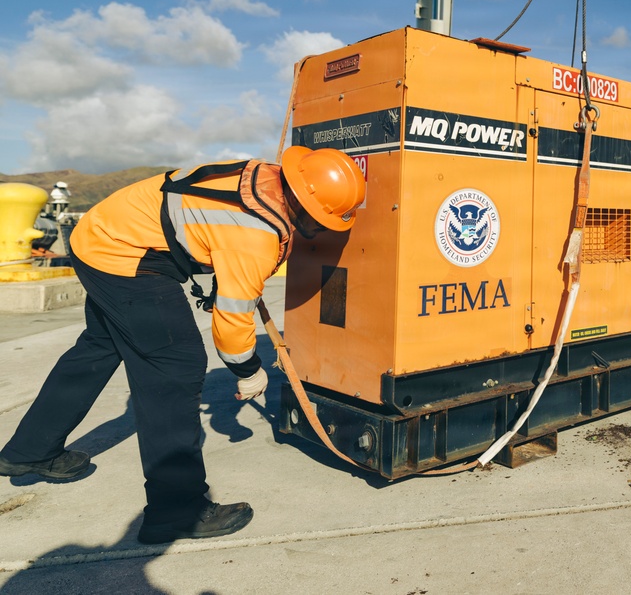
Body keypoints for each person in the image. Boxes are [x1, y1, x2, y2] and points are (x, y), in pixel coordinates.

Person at [0, 146, 365, 544]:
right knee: (175, 364)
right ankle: (176, 510)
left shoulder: (262, 176)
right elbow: (231, 319)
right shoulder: (256, 232)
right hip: (125, 252)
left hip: (104, 235)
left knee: (100, 346)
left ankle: (29, 450)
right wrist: (248, 370)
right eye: (321, 222)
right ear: (307, 210)